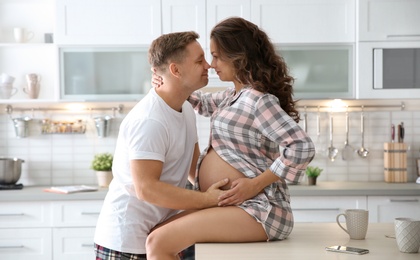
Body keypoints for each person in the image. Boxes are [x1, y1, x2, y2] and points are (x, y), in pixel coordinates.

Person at [146, 17, 316, 259]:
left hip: (261, 209)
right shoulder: (231, 96)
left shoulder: (258, 100)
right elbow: (199, 102)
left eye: (216, 56)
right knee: (156, 234)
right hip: (234, 205)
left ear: (239, 56)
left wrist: (254, 184)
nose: (211, 64)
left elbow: (302, 147)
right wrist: (166, 79)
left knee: (159, 242)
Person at [93, 31, 230, 259]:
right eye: (199, 61)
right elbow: (146, 188)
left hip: (161, 237)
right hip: (126, 244)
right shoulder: (150, 120)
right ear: (175, 70)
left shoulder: (185, 109)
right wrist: (206, 200)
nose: (208, 65)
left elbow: (192, 168)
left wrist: (222, 197)